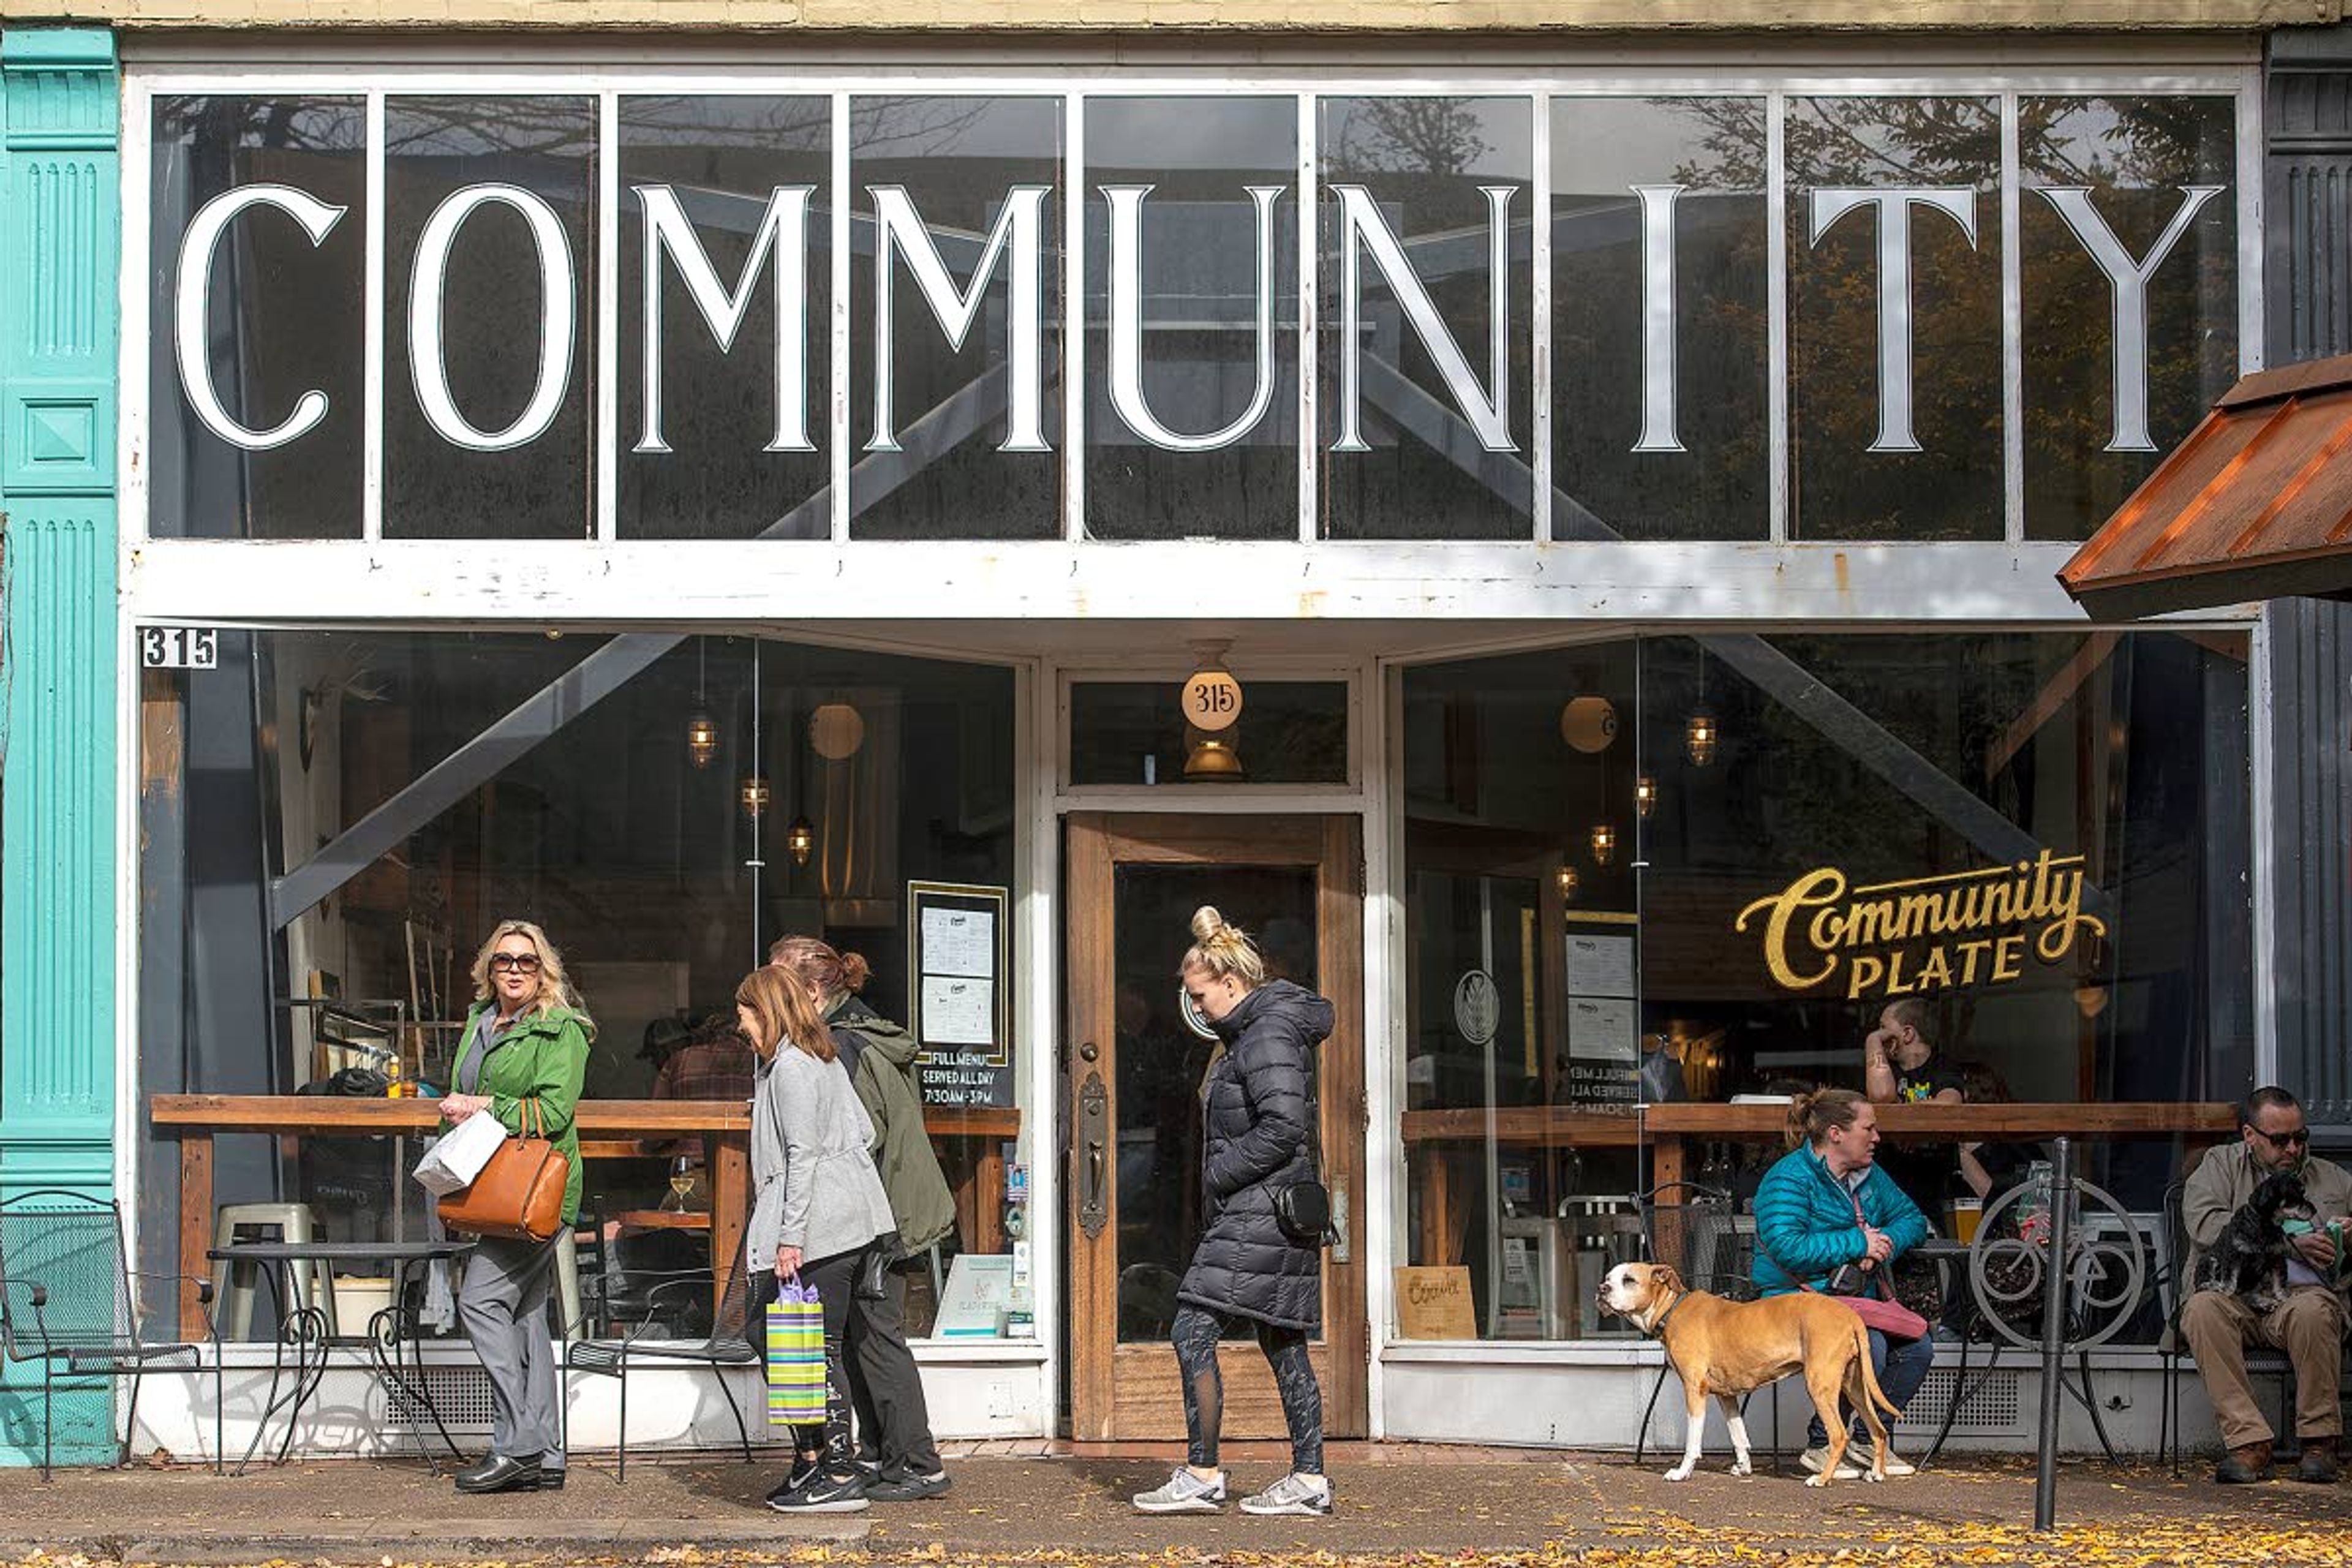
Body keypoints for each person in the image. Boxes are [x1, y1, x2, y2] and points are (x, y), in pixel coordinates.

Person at [1131, 907, 1335, 1519]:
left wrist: (1220, 1173)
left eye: (1200, 996)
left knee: (1191, 1329)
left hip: (1259, 1212)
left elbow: (1284, 1126)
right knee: (1285, 1344)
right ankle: (1309, 1479)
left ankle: (1202, 1471)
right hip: (1265, 1211)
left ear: (1230, 983)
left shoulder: (1266, 1033)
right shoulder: (1253, 1031)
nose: (1195, 1008)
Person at [767, 935, 956, 1502]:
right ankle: (880, 1455)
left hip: (877, 1213)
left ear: (812, 989)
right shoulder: (866, 1034)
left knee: (876, 1336)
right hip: (888, 1205)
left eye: (780, 982)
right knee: (864, 1335)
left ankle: (918, 1463)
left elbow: (853, 1139)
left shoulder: (841, 1046)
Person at [737, 966, 898, 1515]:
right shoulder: (820, 1059)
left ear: (768, 1011)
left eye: (746, 1014)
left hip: (818, 1228)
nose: (742, 1027)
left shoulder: (790, 1067)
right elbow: (866, 1131)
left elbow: (800, 1154)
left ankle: (834, 1468)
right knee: (793, 1343)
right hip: (843, 1220)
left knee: (802, 1346)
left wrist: (790, 1236)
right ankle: (813, 1462)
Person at [441, 919, 593, 1496]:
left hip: (536, 1193)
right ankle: (546, 1454)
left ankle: (518, 1444)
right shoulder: (480, 1024)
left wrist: (481, 1106)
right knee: (527, 1321)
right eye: (504, 960)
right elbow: (466, 1098)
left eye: (527, 962)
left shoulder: (562, 1030)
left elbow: (553, 1113)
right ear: (488, 967)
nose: (514, 970)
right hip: (492, 1187)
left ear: (544, 969)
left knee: (479, 1302)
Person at [1752, 1087, 1934, 1481]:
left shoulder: (1872, 1176)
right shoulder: (1789, 1177)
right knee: (1872, 1345)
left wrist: (1881, 1245)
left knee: (1918, 1347)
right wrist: (1857, 1243)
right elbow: (1787, 1247)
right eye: (1868, 1128)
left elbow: (1914, 1221)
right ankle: (1821, 1445)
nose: (1877, 1137)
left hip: (1852, 1300)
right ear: (1836, 1133)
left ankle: (1869, 1441)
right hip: (1795, 1300)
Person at [2180, 1086, 2352, 1484]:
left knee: (2315, 1311)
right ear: (2249, 1135)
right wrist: (2289, 1243)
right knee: (2201, 1310)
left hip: (2297, 1297)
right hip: (2236, 1294)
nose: (2292, 1148)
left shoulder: (2333, 1178)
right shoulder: (2218, 1166)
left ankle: (2319, 1442)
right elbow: (2205, 1226)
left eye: (2300, 1137)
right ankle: (2249, 1443)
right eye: (2280, 1140)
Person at [1863, 999, 1964, 1206]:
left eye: (1883, 1028)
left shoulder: (1942, 1066)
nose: (1879, 1035)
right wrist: (1872, 1043)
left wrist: (1908, 1125)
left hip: (1935, 1179)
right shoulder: (1882, 1069)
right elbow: (1881, 1096)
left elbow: (1949, 1104)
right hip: (1889, 1181)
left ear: (1907, 1034)